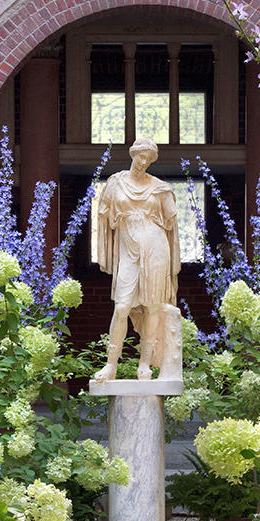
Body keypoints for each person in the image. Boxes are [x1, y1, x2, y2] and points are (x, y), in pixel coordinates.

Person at [92, 136, 181, 380]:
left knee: (152, 306)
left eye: (149, 158)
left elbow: (172, 224)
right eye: (141, 155)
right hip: (128, 249)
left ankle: (145, 363)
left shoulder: (160, 187)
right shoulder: (116, 183)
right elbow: (103, 215)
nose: (144, 161)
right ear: (133, 154)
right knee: (121, 307)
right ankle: (111, 365)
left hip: (155, 247)